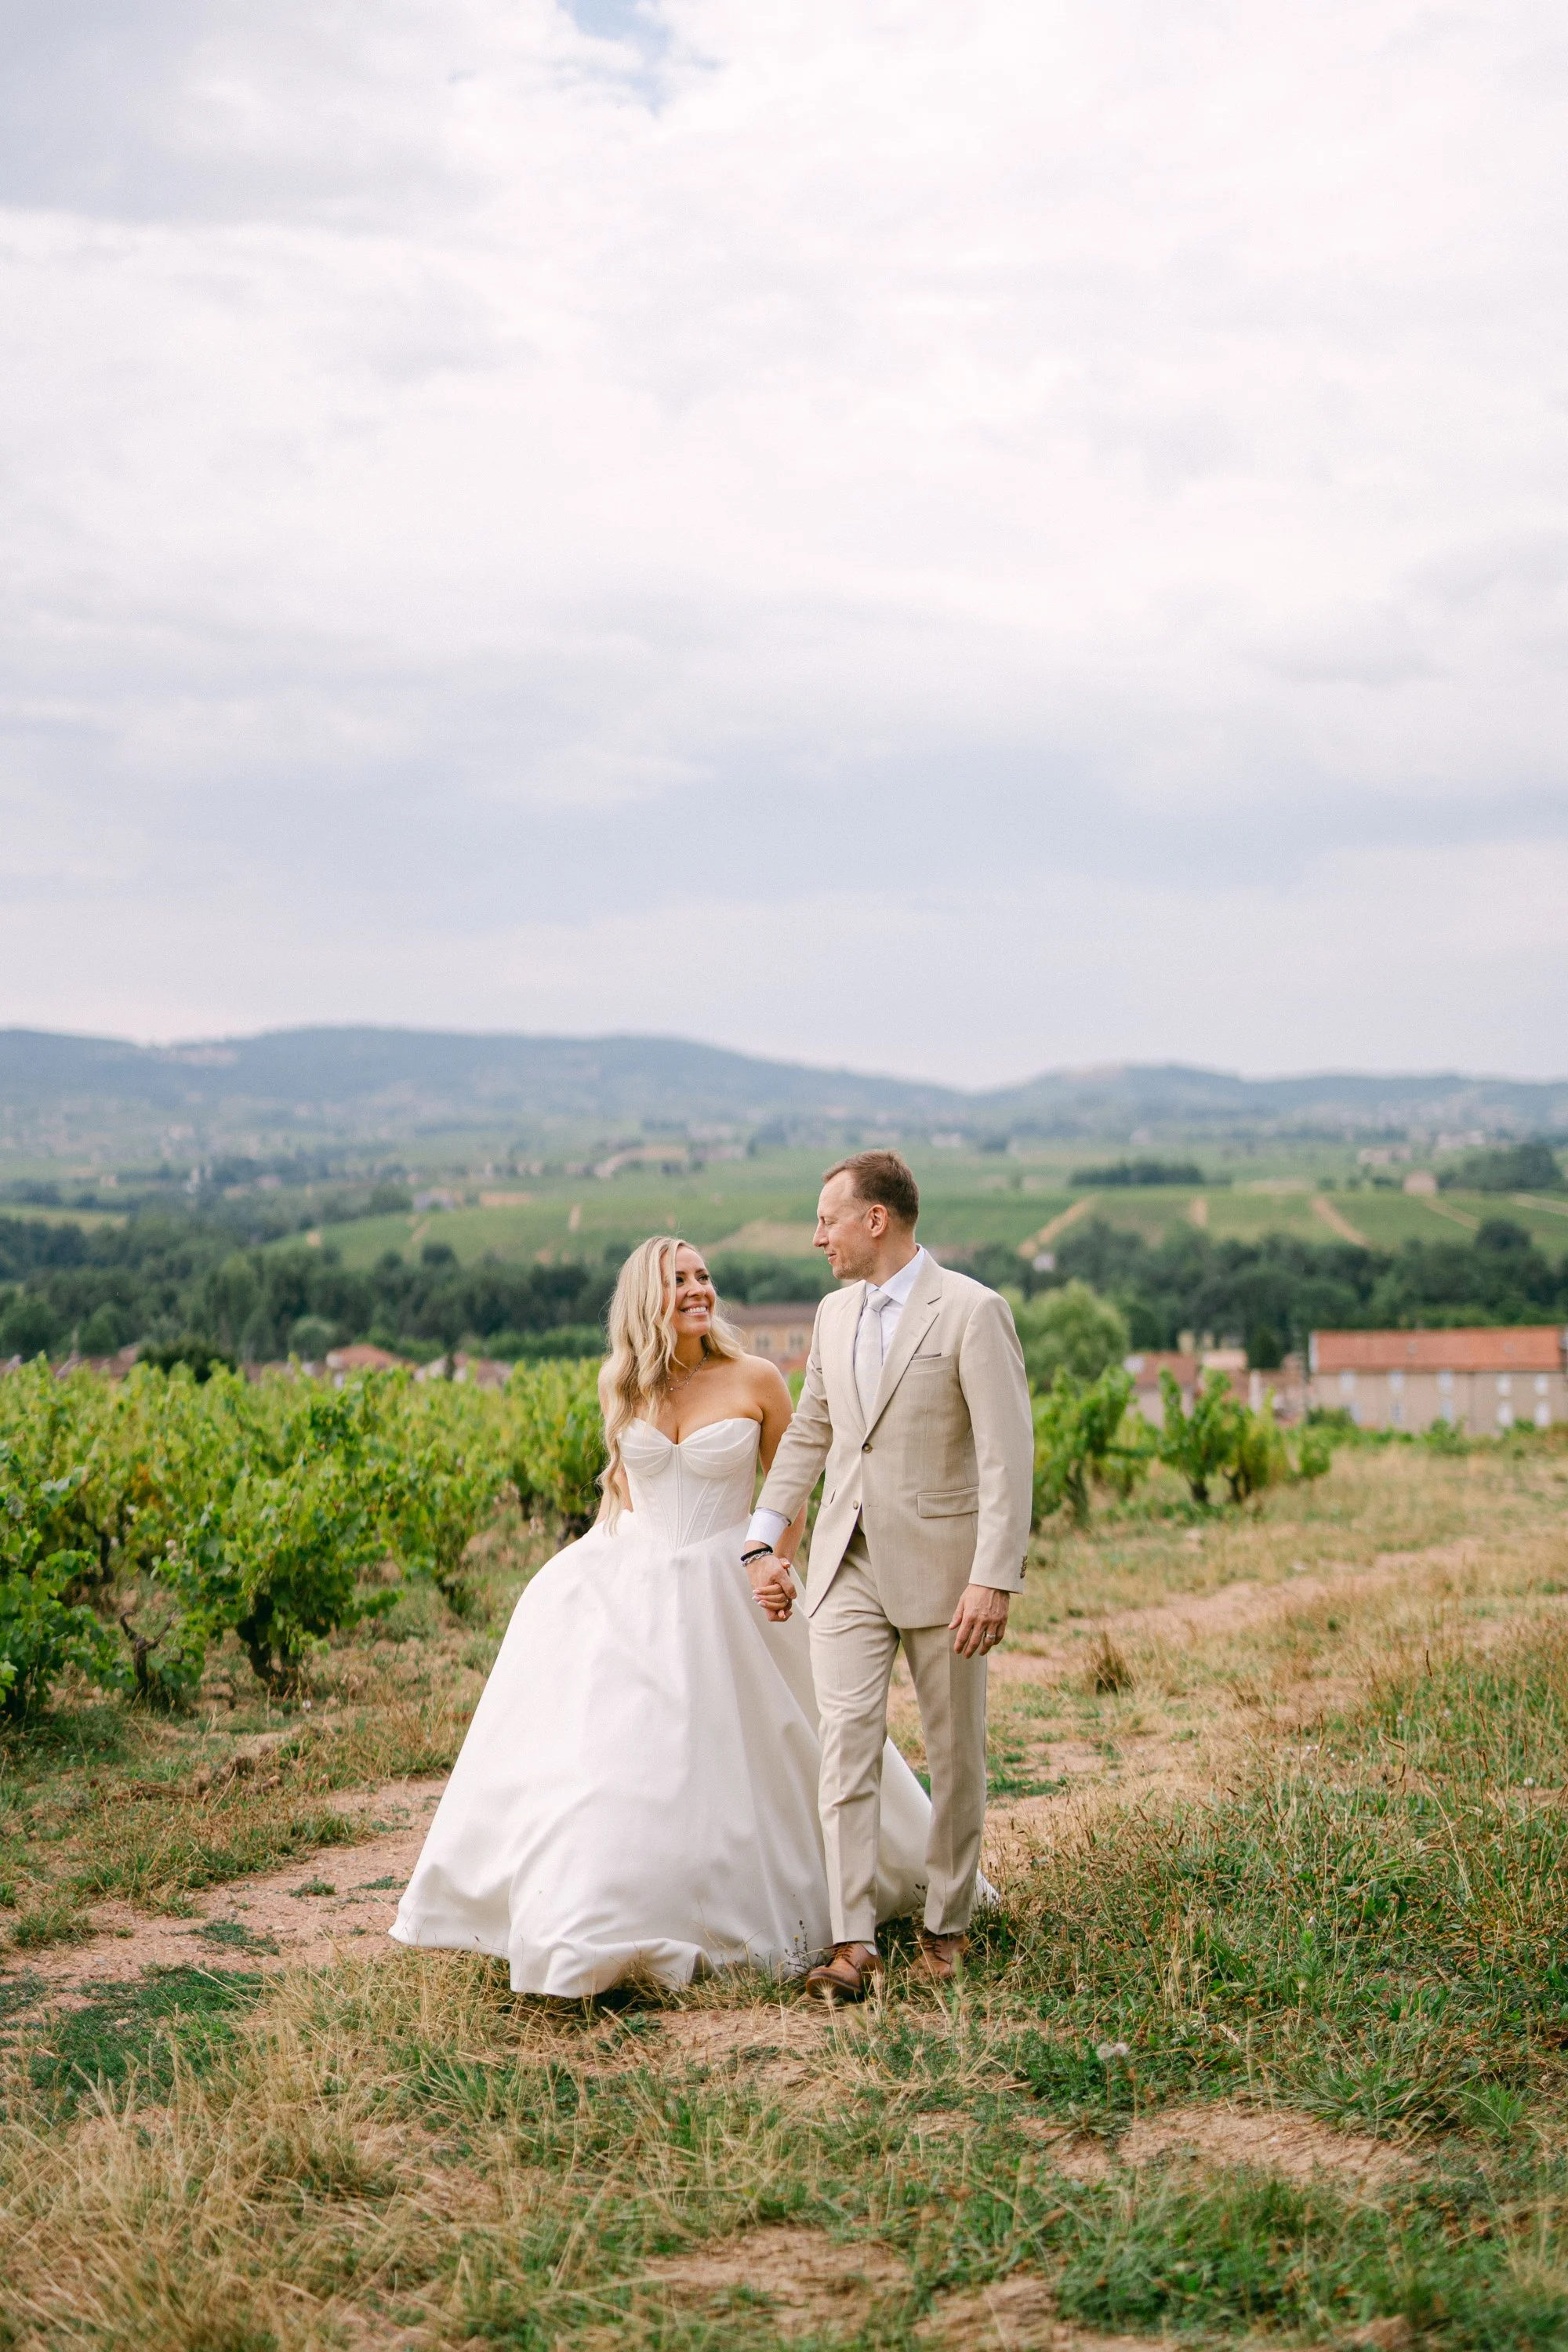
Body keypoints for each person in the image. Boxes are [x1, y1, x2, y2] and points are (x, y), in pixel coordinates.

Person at [390, 1234, 932, 1998]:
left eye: (703, 1276)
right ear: (649, 1298)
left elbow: (797, 1485)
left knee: (765, 1750)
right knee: (616, 1767)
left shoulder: (756, 1378)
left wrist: (772, 1555)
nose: (696, 1290)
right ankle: (594, 1917)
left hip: (732, 1579)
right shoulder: (624, 1384)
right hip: (628, 1586)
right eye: (677, 1280)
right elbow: (623, 1491)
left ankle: (798, 1900)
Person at [744, 1150, 1033, 2004]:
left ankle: (944, 1927)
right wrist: (763, 1539)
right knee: (844, 1745)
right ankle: (852, 1942)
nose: (815, 1236)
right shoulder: (831, 1315)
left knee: (954, 1753)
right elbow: (811, 1432)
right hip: (844, 1564)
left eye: (827, 1219)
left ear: (875, 1219)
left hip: (947, 1572)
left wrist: (993, 1578)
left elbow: (1005, 1459)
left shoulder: (973, 1312)